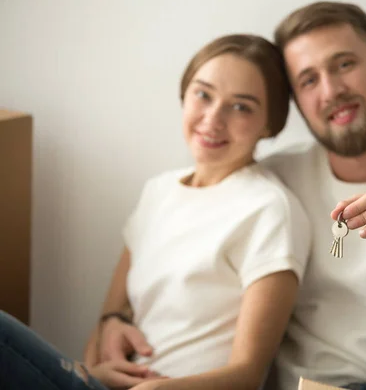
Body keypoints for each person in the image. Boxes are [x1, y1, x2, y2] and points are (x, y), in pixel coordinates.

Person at [96, 1, 366, 390]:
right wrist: (115, 318)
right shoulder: (274, 181)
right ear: (296, 105)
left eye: (344, 64)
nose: (330, 89)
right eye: (308, 80)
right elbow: (177, 223)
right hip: (307, 387)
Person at [0, 33, 311, 390]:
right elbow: (106, 321)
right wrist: (99, 362)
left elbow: (247, 375)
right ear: (184, 94)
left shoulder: (269, 209)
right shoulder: (159, 191)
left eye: (241, 106)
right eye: (203, 94)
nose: (213, 118)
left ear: (270, 123)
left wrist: (154, 389)